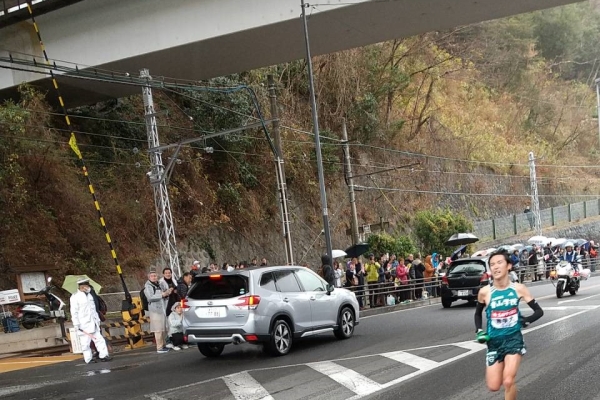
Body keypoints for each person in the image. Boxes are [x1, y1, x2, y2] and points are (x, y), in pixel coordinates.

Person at [474, 249, 543, 400]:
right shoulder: (485, 292)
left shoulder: (518, 289)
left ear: (509, 266)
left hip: (513, 340)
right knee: (493, 386)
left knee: (508, 380)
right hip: (494, 342)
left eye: (499, 263)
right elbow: (477, 314)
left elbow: (539, 311)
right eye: (492, 264)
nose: (496, 267)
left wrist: (525, 320)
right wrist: (479, 330)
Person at [70, 279, 112, 363]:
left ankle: (104, 355)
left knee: (99, 340)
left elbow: (94, 308)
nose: (87, 287)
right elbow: (74, 312)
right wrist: (76, 324)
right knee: (85, 343)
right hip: (83, 324)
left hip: (94, 322)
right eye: (86, 286)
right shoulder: (75, 297)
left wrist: (97, 319)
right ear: (81, 286)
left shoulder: (90, 295)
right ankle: (88, 359)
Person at [145, 268, 172, 353]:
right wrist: (162, 294)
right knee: (158, 329)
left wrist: (167, 292)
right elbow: (150, 297)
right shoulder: (148, 286)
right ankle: (159, 347)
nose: (154, 277)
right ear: (149, 277)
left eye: (155, 276)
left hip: (162, 309)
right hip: (155, 311)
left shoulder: (158, 284)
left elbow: (163, 294)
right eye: (152, 276)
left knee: (163, 328)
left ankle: (163, 345)